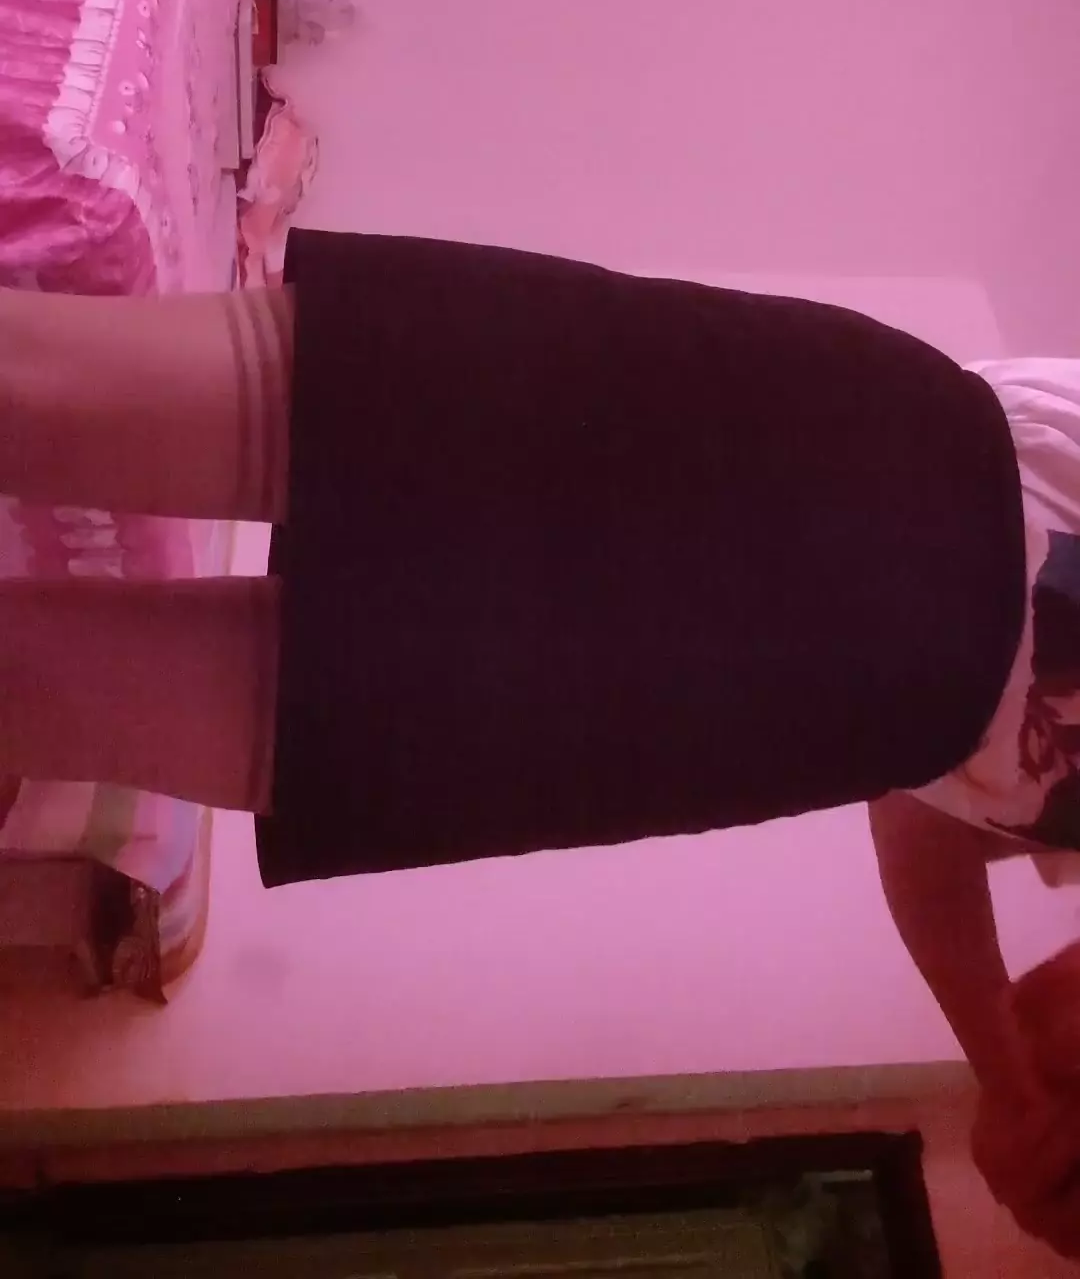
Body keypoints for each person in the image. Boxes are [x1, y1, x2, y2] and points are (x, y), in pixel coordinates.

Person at [3, 230, 1080, 1248]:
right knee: (45, 393)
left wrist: (1012, 1082)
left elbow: (938, 808)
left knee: (80, 697)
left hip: (781, 722)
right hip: (867, 459)